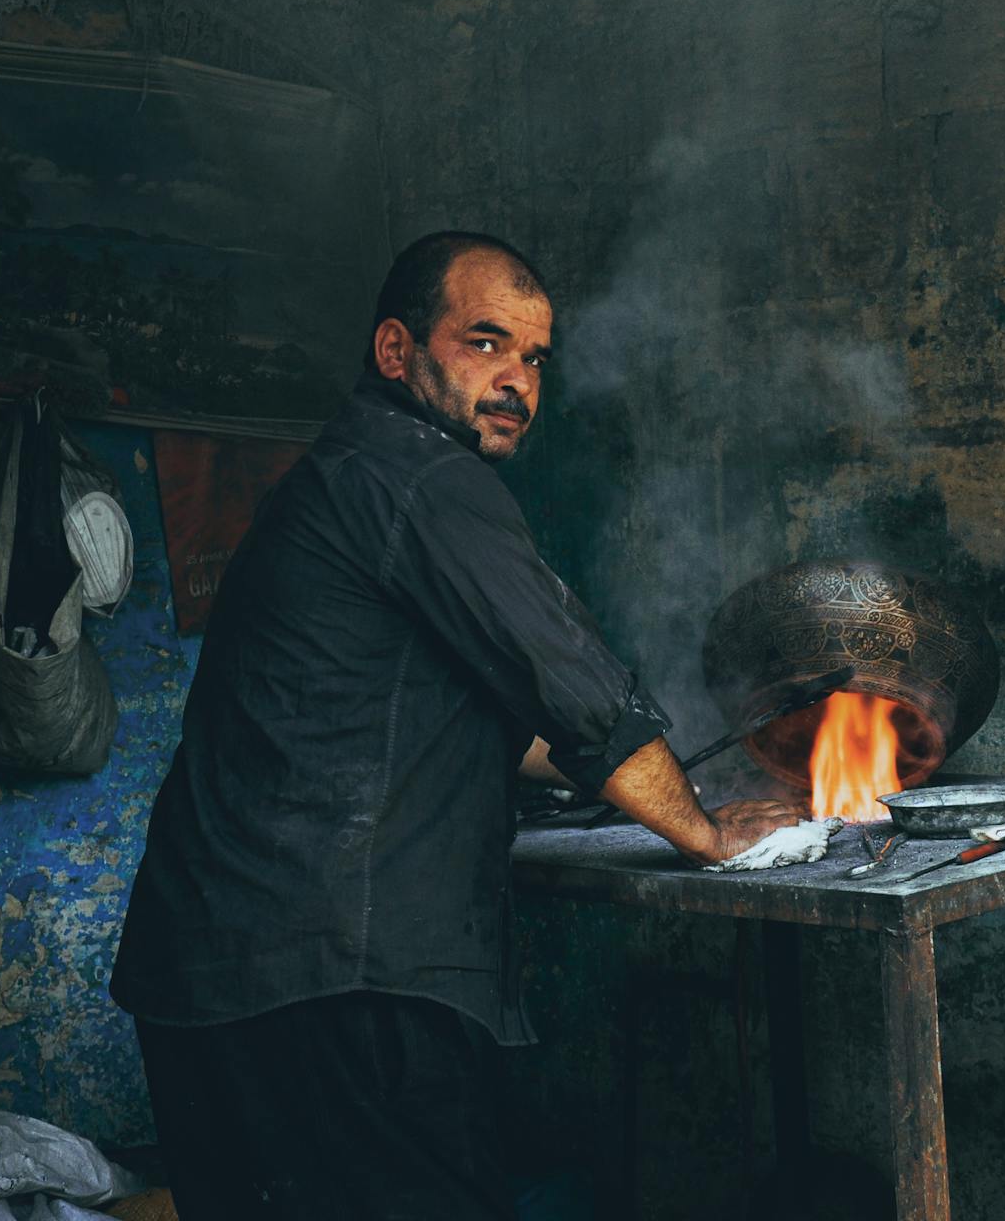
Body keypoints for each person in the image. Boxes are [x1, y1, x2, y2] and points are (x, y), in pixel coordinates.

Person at [110, 231, 804, 1219]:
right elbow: (570, 683)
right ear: (398, 352)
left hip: (210, 973)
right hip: (335, 981)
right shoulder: (421, 478)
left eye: (533, 358)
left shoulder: (340, 477)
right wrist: (702, 828)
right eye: (484, 343)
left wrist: (606, 775)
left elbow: (436, 707)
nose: (516, 379)